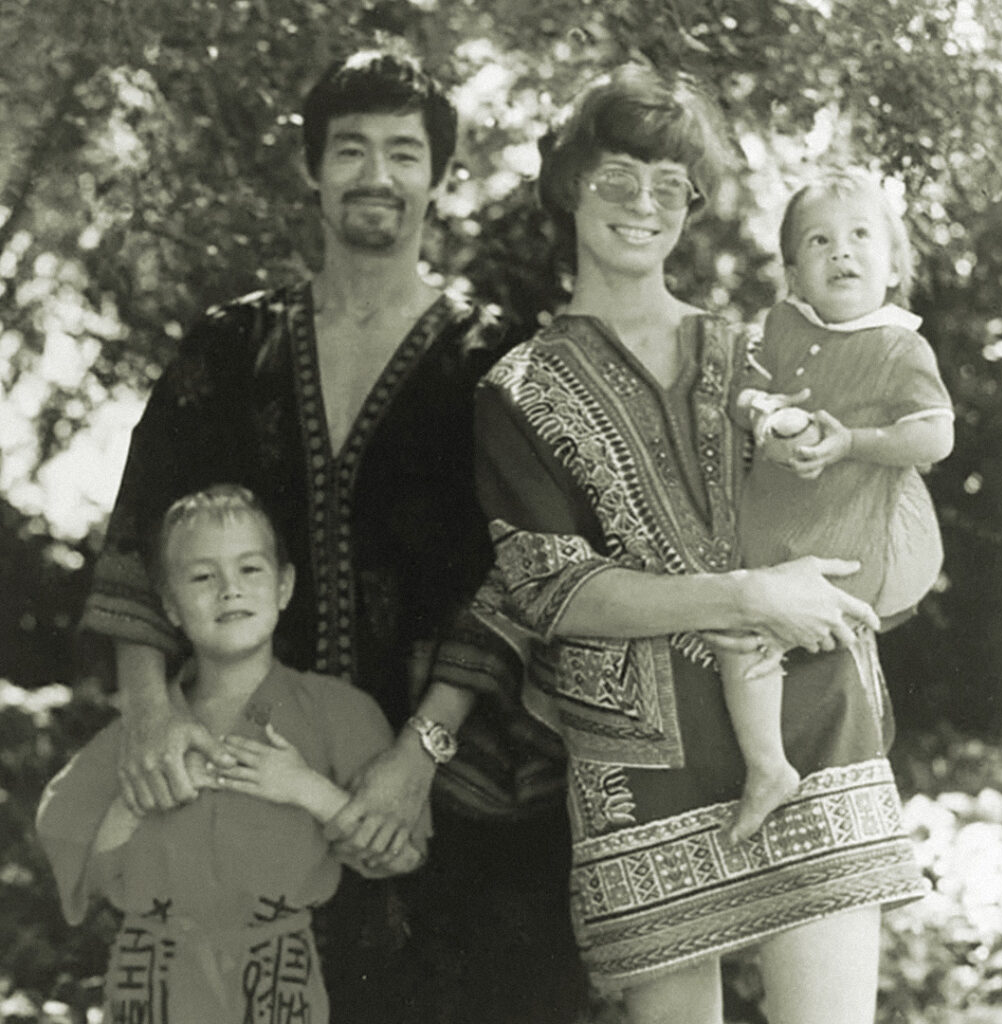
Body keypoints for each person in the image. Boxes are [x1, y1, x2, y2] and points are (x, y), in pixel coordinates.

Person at [78, 50, 583, 1024]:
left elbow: (513, 572)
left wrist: (415, 760)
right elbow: (142, 526)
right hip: (243, 769)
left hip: (444, 791)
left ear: (440, 176)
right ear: (311, 170)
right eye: (349, 149)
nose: (376, 175)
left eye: (404, 151)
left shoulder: (493, 359)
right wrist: (147, 712)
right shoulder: (233, 345)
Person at [473, 64, 928, 1024]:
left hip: (814, 719)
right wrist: (752, 597)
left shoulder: (756, 351)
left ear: (692, 202)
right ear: (568, 188)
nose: (643, 203)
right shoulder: (516, 388)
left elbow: (870, 483)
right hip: (643, 766)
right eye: (616, 176)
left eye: (669, 183)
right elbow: (554, 591)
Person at [38, 485, 427, 1023]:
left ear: (285, 586)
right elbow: (79, 858)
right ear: (169, 605)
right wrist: (143, 794)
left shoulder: (338, 713)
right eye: (202, 576)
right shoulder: (142, 736)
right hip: (152, 977)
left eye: (250, 570)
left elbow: (402, 853)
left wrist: (304, 788)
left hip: (275, 980)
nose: (229, 590)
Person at [718, 168, 955, 842]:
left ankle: (801, 779)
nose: (841, 252)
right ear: (793, 273)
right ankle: (769, 766)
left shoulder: (899, 344)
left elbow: (935, 434)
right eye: (818, 242)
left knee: (783, 643)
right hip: (774, 535)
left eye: (859, 237)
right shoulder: (783, 325)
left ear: (892, 266)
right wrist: (761, 414)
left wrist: (852, 440)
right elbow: (745, 391)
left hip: (848, 539)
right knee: (744, 631)